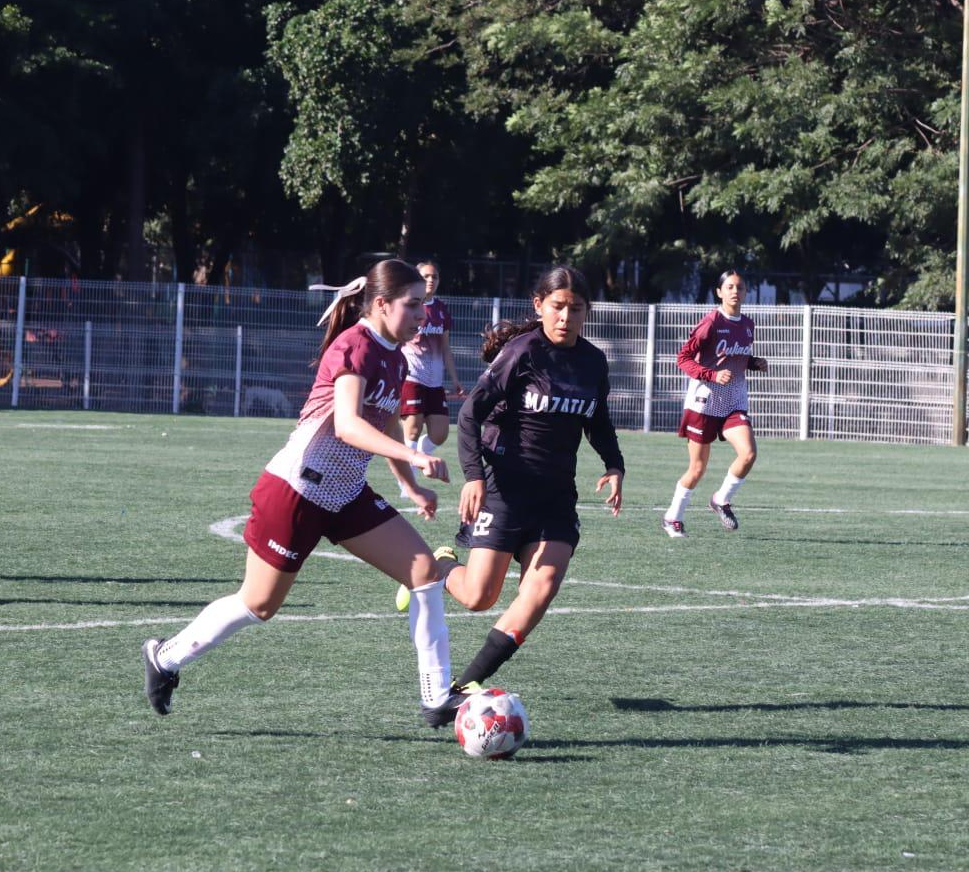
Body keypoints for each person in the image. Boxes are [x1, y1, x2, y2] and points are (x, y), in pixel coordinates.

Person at [142, 259, 463, 726]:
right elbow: (351, 425)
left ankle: (436, 697)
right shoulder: (354, 345)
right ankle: (165, 657)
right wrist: (415, 456)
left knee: (424, 571)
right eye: (413, 305)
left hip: (345, 492)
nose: (422, 314)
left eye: (424, 305)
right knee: (259, 604)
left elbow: (386, 420)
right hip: (296, 489)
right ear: (380, 304)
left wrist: (409, 486)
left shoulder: (394, 356)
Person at [403, 266, 624, 719]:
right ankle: (444, 565)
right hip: (504, 488)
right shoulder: (522, 353)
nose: (566, 316)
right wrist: (474, 477)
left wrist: (614, 464)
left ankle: (464, 684)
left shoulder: (593, 361)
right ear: (539, 306)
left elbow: (597, 420)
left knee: (541, 587)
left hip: (556, 497)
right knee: (479, 596)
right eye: (557, 307)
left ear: (587, 312)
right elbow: (469, 416)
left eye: (576, 309)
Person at [661, 269, 768, 538]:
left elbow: (735, 358)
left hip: (733, 401)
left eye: (740, 287)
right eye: (729, 286)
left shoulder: (747, 325)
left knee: (749, 453)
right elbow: (683, 359)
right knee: (697, 469)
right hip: (704, 403)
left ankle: (721, 499)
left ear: (745, 293)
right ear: (719, 292)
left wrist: (754, 363)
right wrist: (711, 375)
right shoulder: (710, 323)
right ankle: (672, 517)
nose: (735, 291)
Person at [396, 261, 464, 495]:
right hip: (411, 377)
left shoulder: (442, 310)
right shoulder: (407, 306)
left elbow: (445, 348)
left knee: (440, 433)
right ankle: (408, 484)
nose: (430, 280)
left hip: (435, 382)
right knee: (412, 428)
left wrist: (454, 379)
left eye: (434, 276)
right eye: (425, 276)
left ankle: (415, 458)